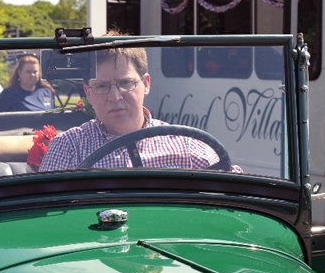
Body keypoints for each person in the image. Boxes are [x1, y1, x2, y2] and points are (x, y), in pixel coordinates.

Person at [39, 37, 238, 172]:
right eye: (102, 86)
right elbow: (43, 216)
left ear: (146, 84)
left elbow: (236, 190)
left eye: (126, 83)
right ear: (88, 93)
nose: (115, 96)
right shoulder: (68, 148)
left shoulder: (186, 146)